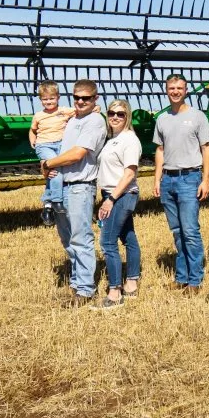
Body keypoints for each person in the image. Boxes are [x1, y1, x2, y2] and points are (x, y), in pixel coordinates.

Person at [40, 79, 107, 307]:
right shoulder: (71, 120)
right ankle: (78, 282)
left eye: (86, 98)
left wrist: (48, 163)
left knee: (81, 237)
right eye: (76, 97)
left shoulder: (95, 121)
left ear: (95, 99)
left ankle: (86, 290)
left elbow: (77, 154)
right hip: (62, 185)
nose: (80, 101)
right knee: (67, 239)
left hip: (80, 186)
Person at [153, 73, 209, 295]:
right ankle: (182, 277)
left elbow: (207, 148)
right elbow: (160, 150)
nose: (175, 91)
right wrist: (157, 178)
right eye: (171, 88)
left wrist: (206, 180)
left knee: (190, 231)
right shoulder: (162, 119)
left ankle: (195, 280)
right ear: (166, 90)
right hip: (168, 179)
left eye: (179, 88)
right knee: (177, 231)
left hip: (190, 178)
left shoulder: (197, 117)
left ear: (186, 90)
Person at [93, 99, 142, 310]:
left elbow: (130, 173)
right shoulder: (113, 138)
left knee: (107, 242)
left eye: (120, 114)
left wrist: (110, 200)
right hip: (113, 193)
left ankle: (115, 293)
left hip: (121, 194)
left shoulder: (129, 140)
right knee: (128, 237)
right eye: (111, 112)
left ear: (127, 116)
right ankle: (132, 281)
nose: (115, 117)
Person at [30, 81, 76, 225]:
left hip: (61, 145)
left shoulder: (63, 111)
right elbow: (32, 130)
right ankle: (57, 201)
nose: (48, 101)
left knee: (55, 174)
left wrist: (96, 107)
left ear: (58, 97)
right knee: (56, 172)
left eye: (51, 98)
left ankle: (48, 206)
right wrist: (33, 141)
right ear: (40, 100)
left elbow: (82, 110)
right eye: (45, 99)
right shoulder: (38, 115)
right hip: (44, 145)